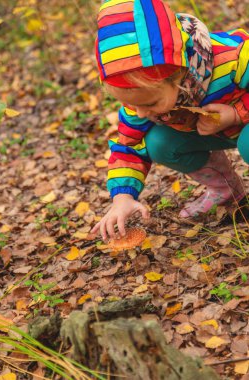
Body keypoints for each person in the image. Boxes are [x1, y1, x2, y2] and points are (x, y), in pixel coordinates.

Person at [91, 0, 249, 241]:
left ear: (178, 74)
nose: (140, 113)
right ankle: (225, 188)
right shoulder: (140, 101)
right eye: (132, 105)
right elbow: (129, 145)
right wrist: (123, 197)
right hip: (213, 134)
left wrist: (237, 114)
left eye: (150, 104)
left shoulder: (234, 59)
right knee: (158, 143)